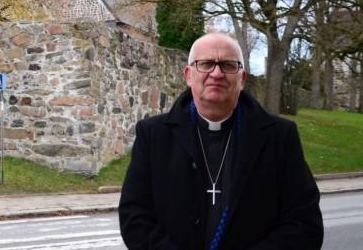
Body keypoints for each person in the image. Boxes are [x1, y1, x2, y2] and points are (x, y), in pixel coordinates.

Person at [119, 32, 323, 250]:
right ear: (188, 75)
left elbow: (305, 224)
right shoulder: (153, 135)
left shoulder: (279, 136)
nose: (216, 73)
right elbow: (135, 217)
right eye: (206, 64)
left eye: (227, 65)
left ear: (242, 78)